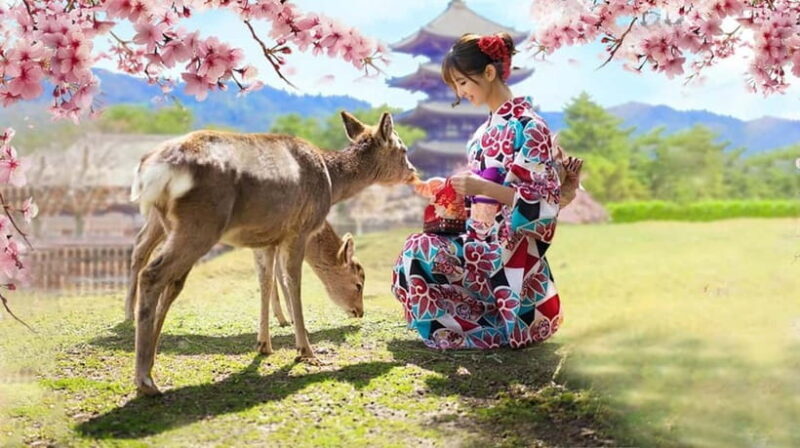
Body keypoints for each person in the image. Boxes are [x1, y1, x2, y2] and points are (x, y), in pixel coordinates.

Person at [391, 32, 582, 350]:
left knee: (426, 252)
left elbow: (546, 204)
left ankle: (498, 324)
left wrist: (482, 187)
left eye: (463, 82)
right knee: (417, 249)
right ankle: (455, 326)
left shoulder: (530, 127)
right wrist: (450, 189)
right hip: (476, 242)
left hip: (510, 254)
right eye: (456, 85)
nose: (459, 92)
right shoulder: (480, 135)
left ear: (489, 73)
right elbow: (478, 200)